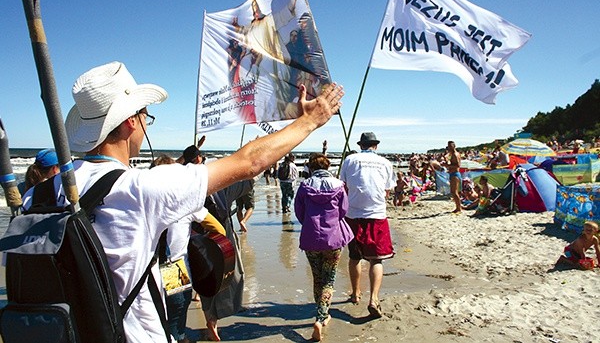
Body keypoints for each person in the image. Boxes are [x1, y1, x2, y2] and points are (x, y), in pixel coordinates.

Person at [21, 61, 343, 343]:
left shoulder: (39, 194)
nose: (146, 123)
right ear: (130, 122)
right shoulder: (141, 188)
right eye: (146, 116)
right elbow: (250, 162)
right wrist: (309, 121)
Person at [150, 155, 225, 343]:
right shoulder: (185, 201)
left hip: (143, 266)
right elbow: (218, 229)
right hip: (173, 267)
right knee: (177, 314)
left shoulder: (141, 200)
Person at [294, 153, 354, 341]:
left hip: (311, 237)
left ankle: (321, 314)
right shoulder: (338, 186)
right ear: (327, 167)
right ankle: (321, 317)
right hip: (333, 238)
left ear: (311, 168)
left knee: (317, 277)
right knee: (329, 279)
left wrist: (309, 223)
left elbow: (299, 211)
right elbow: (344, 210)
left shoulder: (305, 186)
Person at [340, 132, 396, 319]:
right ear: (375, 146)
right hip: (377, 214)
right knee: (376, 259)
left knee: (354, 257)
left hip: (353, 214)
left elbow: (344, 186)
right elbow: (387, 190)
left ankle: (355, 293)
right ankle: (374, 298)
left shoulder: (350, 159)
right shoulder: (386, 162)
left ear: (361, 144)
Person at [200, 179, 255, 341]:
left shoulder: (187, 189)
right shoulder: (222, 189)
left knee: (204, 282)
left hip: (196, 242)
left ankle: (210, 321)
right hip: (223, 240)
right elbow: (249, 181)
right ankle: (219, 315)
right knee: (230, 276)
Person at [444, 141, 462, 214]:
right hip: (454, 173)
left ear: (454, 146)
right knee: (454, 192)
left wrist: (447, 165)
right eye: (448, 146)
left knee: (454, 192)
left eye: (450, 146)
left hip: (455, 174)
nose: (449, 148)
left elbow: (457, 165)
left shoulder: (455, 154)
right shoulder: (454, 154)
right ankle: (458, 207)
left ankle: (459, 208)